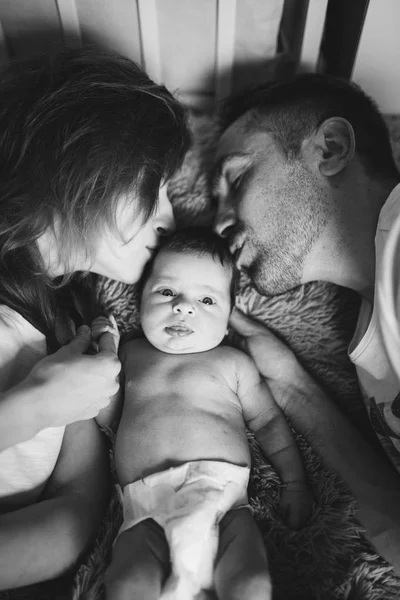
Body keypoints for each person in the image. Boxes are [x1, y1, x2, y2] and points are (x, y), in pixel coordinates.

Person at [0, 48, 190, 590]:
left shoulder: (70, 320)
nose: (169, 218)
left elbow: (78, 500)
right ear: (83, 166)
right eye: (153, 187)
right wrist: (34, 407)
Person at [212, 73, 400, 572]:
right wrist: (290, 383)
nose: (218, 223)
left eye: (236, 178)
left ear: (330, 148)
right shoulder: (372, 317)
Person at [92, 227, 313, 600]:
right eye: (166, 292)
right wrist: (106, 351)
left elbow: (268, 421)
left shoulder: (234, 363)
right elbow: (104, 418)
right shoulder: (130, 356)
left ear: (228, 318)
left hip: (224, 505)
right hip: (147, 510)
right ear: (140, 300)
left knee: (251, 583)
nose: (183, 306)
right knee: (128, 583)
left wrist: (294, 482)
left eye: (207, 301)